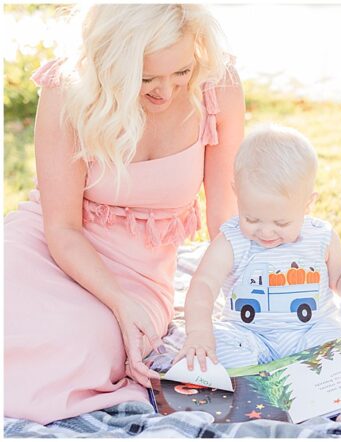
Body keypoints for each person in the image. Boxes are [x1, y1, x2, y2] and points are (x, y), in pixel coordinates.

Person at [4, 4, 243, 424]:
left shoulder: (216, 85)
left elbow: (225, 218)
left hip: (139, 277)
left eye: (180, 73)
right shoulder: (68, 87)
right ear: (109, 64)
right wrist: (116, 301)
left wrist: (250, 299)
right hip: (51, 246)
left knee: (77, 350)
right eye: (146, 78)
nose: (166, 92)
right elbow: (61, 227)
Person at [174, 124, 341, 369]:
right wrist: (198, 332)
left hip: (310, 332)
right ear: (237, 193)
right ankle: (249, 394)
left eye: (281, 222)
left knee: (340, 348)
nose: (266, 232)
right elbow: (203, 284)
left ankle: (334, 404)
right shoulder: (231, 240)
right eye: (252, 218)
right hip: (249, 335)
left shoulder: (320, 236)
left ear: (307, 204)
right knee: (219, 347)